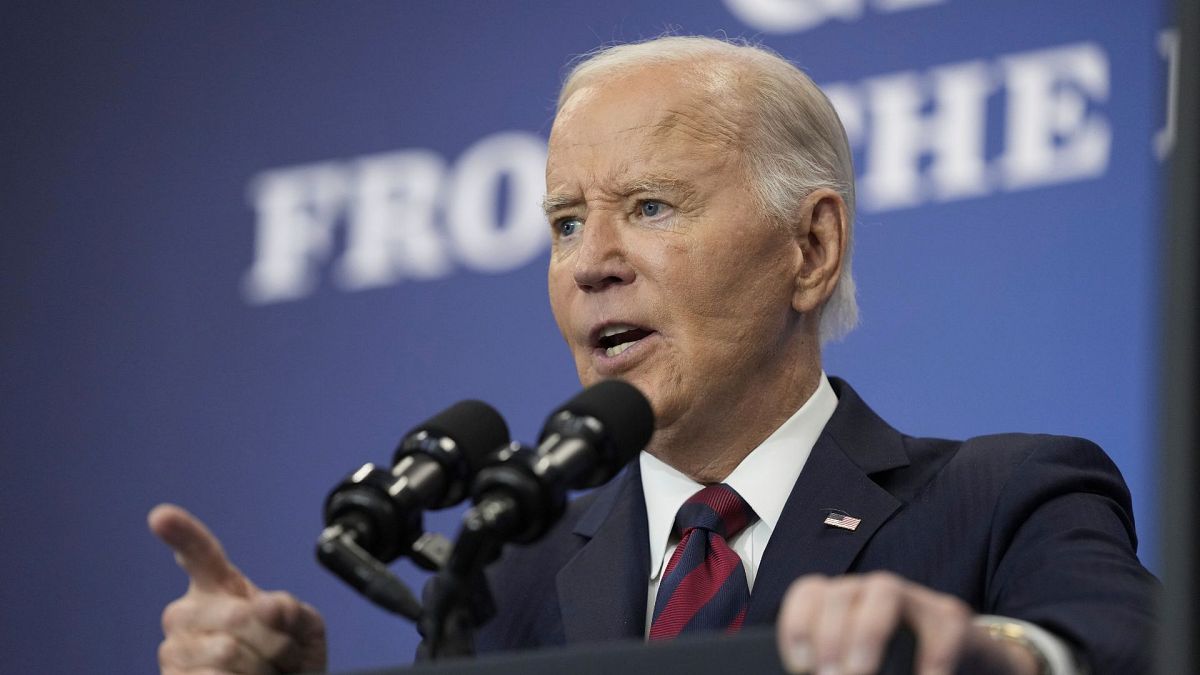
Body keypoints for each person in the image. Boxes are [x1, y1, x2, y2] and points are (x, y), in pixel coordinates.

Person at [150, 36, 1156, 675]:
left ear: (811, 248)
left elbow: (1127, 646)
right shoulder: (509, 579)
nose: (592, 263)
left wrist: (996, 656)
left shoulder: (1003, 498)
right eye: (565, 222)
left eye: (650, 207)